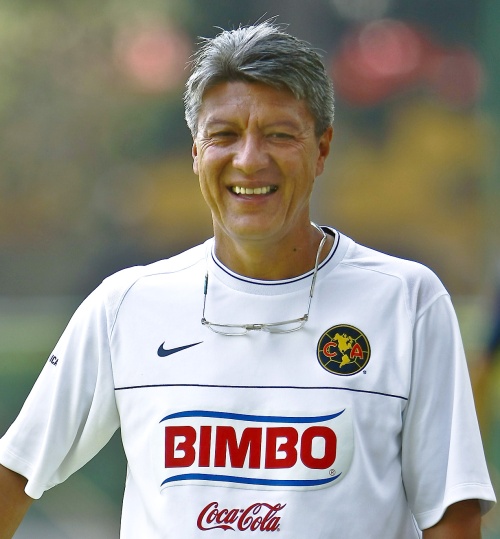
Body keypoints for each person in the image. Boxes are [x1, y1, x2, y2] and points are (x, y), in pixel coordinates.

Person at [0, 21, 496, 539]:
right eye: (224, 135)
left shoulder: (406, 301)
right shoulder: (125, 305)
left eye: (279, 135)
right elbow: (14, 471)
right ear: (197, 152)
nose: (250, 160)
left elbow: (451, 515)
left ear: (322, 149)